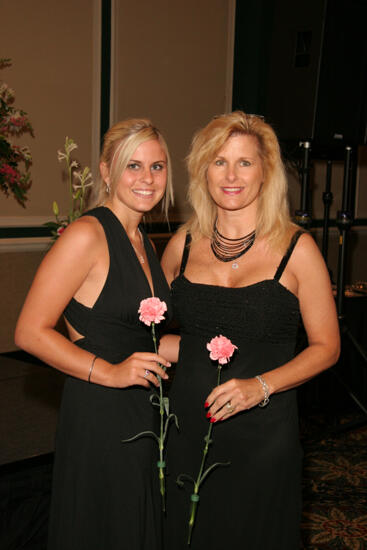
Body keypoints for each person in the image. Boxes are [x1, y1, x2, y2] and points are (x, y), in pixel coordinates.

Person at [160, 111, 340, 549]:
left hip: (263, 434)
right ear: (204, 171)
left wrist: (260, 386)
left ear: (266, 172)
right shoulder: (182, 245)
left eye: (244, 162)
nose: (231, 175)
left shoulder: (297, 249)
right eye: (219, 161)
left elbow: (327, 347)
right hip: (188, 430)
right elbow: (150, 327)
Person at [15, 118, 174, 550]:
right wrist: (109, 373)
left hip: (142, 408)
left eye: (157, 167)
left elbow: (140, 339)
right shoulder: (87, 234)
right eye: (133, 166)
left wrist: (218, 347)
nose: (147, 178)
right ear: (106, 171)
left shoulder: (144, 240)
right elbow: (29, 331)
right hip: (101, 410)